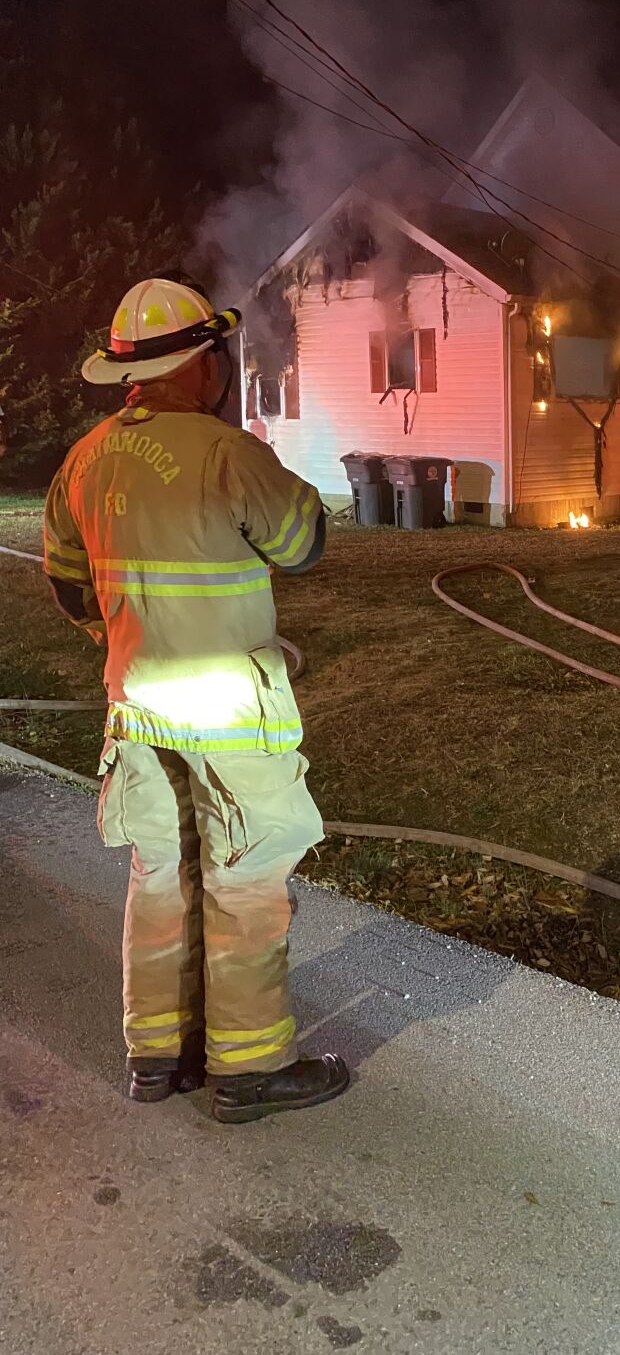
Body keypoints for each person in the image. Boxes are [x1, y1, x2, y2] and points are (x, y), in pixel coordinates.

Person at [42, 276, 349, 1124]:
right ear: (204, 363)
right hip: (229, 717)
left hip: (135, 712)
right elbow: (304, 541)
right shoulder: (225, 452)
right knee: (244, 878)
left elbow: (70, 591)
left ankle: (156, 1056)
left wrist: (132, 630)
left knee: (158, 877)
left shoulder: (85, 456)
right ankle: (247, 1071)